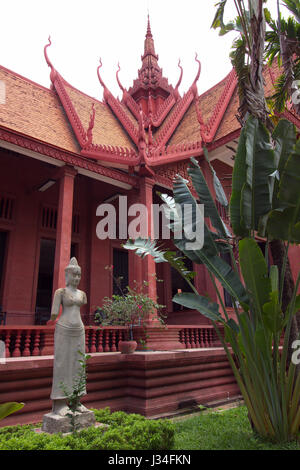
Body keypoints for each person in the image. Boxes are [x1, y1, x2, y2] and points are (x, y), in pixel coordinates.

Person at [48, 257, 89, 416]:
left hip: (79, 329)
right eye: (74, 275)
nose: (77, 278)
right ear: (67, 275)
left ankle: (76, 400)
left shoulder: (82, 294)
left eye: (79, 275)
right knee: (62, 365)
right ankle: (59, 404)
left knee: (78, 364)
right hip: (64, 328)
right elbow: (53, 314)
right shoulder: (61, 292)